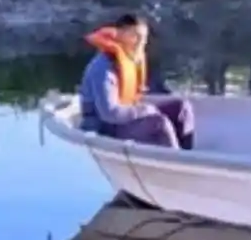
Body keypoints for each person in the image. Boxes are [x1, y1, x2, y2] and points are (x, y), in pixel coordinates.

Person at [78, 13, 195, 149]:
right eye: (135, 36)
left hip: (125, 120)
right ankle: (176, 164)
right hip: (106, 128)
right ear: (119, 36)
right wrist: (144, 110)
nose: (140, 42)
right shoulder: (103, 68)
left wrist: (144, 110)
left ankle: (187, 155)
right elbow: (109, 114)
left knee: (182, 109)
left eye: (144, 37)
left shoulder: (132, 60)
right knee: (159, 123)